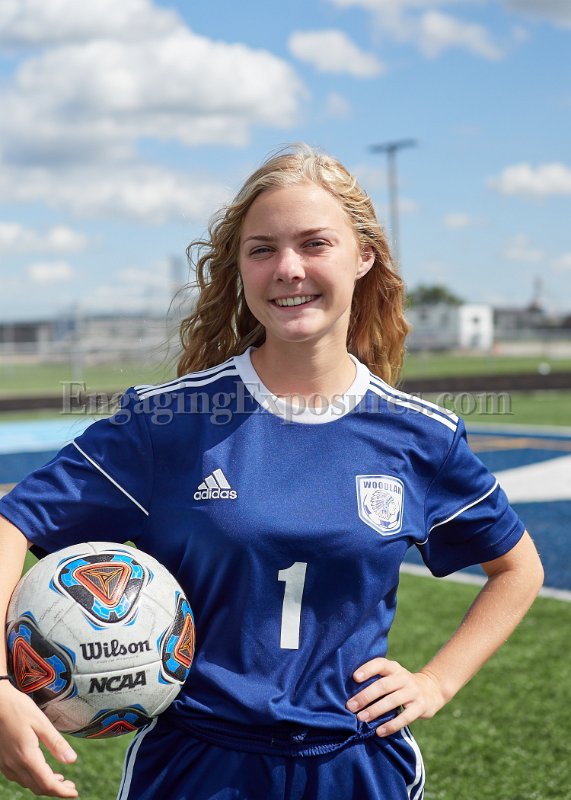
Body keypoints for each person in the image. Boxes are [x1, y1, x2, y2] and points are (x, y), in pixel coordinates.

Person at [0, 144, 543, 800]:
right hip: (196, 766)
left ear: (364, 256)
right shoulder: (168, 423)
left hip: (357, 765)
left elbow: (517, 569)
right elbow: (12, 521)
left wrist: (436, 682)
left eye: (315, 244)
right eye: (262, 250)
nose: (288, 268)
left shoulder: (420, 436)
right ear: (239, 267)